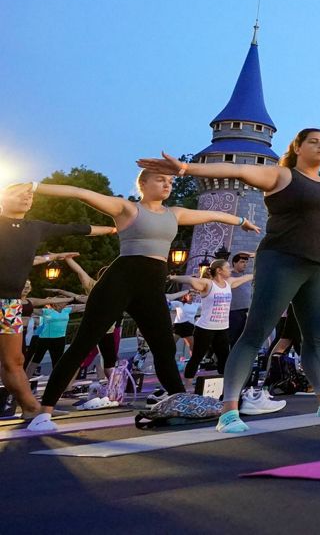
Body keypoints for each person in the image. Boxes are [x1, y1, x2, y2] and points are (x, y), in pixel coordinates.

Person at [136, 130, 320, 433]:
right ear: (298, 147)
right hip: (282, 260)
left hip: (318, 267)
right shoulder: (282, 176)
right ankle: (229, 411)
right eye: (314, 141)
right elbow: (238, 169)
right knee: (255, 334)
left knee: (315, 340)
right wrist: (187, 169)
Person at [29, 172, 259, 431]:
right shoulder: (127, 208)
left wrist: (242, 221)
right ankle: (44, 412)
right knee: (83, 342)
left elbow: (215, 215)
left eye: (170, 182)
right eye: (161, 180)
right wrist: (35, 186)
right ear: (143, 184)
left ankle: (179, 400)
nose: (167, 184)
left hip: (151, 288)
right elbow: (80, 193)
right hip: (119, 282)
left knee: (164, 348)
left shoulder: (175, 213)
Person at [1, 182, 108, 426]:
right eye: (19, 194)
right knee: (10, 361)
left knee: (14, 361)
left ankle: (31, 408)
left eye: (29, 195)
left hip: (9, 303)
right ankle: (31, 408)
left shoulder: (35, 228)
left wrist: (116, 229)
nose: (27, 198)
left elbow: (74, 229)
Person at [172, 259, 255, 379]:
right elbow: (189, 279)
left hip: (222, 329)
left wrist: (264, 270)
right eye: (227, 268)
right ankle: (186, 387)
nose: (230, 270)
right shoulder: (208, 284)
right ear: (219, 271)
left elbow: (247, 277)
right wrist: (172, 277)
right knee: (197, 357)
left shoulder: (229, 283)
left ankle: (224, 388)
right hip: (205, 328)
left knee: (224, 358)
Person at [226, 253, 255, 347]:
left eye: (246, 262)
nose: (245, 264)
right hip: (233, 312)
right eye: (242, 262)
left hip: (246, 312)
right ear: (234, 263)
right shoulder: (228, 276)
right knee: (231, 338)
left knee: (241, 339)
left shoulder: (246, 277)